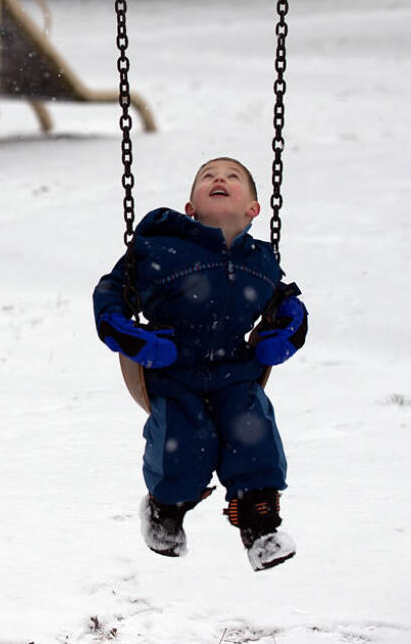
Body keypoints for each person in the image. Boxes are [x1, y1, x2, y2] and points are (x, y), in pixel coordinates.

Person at [92, 157, 308, 571]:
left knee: (253, 433)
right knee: (183, 441)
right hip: (172, 368)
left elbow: (287, 306)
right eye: (208, 176)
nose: (219, 179)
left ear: (253, 210)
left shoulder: (260, 262)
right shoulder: (160, 251)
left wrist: (287, 332)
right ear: (190, 208)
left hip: (235, 371)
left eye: (232, 177)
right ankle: (166, 511)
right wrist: (130, 335)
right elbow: (112, 294)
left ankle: (259, 526)